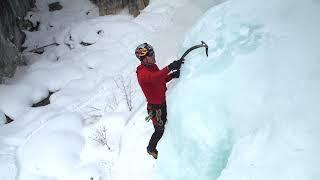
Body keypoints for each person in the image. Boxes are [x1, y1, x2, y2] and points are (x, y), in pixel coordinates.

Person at [135, 43, 183, 159]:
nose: (154, 56)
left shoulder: (152, 67)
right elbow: (154, 77)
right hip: (156, 109)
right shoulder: (142, 73)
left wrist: (172, 75)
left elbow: (160, 78)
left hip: (162, 103)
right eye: (151, 54)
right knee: (159, 130)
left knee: (166, 124)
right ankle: (151, 148)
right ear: (144, 58)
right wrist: (169, 68)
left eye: (153, 53)